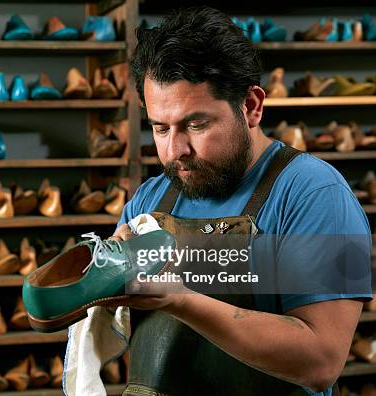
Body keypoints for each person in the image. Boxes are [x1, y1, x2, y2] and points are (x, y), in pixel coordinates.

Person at [110, 6, 372, 396]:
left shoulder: (317, 194)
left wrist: (178, 299)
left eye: (195, 125)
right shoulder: (151, 198)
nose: (174, 149)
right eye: (160, 128)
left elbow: (322, 361)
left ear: (250, 106)